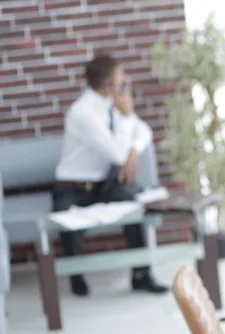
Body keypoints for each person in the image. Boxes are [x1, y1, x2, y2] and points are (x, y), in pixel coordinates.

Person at [53, 54, 168, 296]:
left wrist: (134, 151)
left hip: (104, 184)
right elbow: (117, 154)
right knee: (69, 228)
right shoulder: (82, 113)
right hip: (72, 187)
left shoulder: (112, 105)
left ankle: (141, 274)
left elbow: (144, 131)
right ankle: (76, 275)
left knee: (132, 201)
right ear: (109, 84)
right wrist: (126, 118)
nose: (124, 86)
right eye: (121, 81)